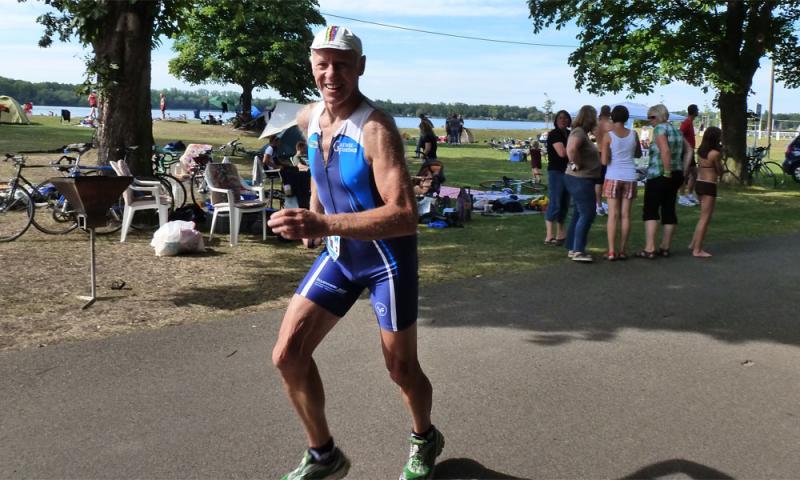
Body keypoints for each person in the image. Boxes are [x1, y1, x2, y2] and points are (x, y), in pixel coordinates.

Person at [267, 26, 443, 480]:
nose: (332, 74)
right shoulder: (308, 117)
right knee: (288, 355)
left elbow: (405, 215)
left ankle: (425, 437)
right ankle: (324, 455)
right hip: (340, 255)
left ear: (360, 67)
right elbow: (319, 171)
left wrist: (323, 223)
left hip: (386, 261)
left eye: (342, 65)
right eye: (323, 64)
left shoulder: (375, 129)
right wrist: (314, 211)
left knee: (401, 368)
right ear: (311, 66)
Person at [637, 104, 686, 259]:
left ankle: (649, 248)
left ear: (659, 116)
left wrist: (666, 172)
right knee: (669, 209)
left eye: (651, 117)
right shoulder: (677, 131)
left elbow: (665, 150)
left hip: (660, 174)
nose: (650, 121)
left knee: (651, 210)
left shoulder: (659, 129)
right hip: (677, 174)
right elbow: (690, 150)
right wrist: (682, 170)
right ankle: (665, 247)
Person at [599, 105, 641, 260]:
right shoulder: (634, 134)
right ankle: (623, 250)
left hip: (613, 175)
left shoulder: (608, 135)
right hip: (630, 176)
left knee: (613, 215)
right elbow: (637, 154)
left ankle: (611, 251)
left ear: (612, 117)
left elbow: (604, 161)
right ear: (627, 117)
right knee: (626, 215)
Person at [564, 105, 602, 262]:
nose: (596, 120)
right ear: (590, 117)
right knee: (588, 213)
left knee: (579, 213)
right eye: (595, 116)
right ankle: (578, 251)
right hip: (580, 179)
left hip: (580, 179)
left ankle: (573, 248)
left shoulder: (582, 133)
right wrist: (577, 164)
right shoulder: (578, 132)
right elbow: (571, 150)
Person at [688, 126, 723, 257]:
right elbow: (720, 171)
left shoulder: (701, 151)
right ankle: (697, 250)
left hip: (699, 182)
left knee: (702, 217)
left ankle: (693, 243)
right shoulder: (715, 154)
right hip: (709, 185)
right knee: (705, 218)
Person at [543, 110, 572, 246]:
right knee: (555, 202)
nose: (563, 120)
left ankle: (561, 234)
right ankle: (549, 235)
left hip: (568, 172)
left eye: (565, 118)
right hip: (556, 172)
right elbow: (562, 153)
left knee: (565, 203)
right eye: (560, 118)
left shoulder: (570, 133)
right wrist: (576, 152)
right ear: (556, 120)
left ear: (569, 120)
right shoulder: (554, 134)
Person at [678, 104, 700, 206]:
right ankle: (682, 196)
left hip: (690, 153)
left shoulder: (690, 122)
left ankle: (690, 194)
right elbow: (680, 134)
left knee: (694, 174)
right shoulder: (686, 122)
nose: (698, 111)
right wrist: (686, 146)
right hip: (686, 153)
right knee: (685, 175)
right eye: (697, 110)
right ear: (694, 111)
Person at [594, 105, 612, 216]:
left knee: (598, 181)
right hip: (607, 154)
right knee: (608, 180)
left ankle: (599, 205)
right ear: (609, 113)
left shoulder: (596, 124)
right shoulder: (610, 125)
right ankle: (608, 205)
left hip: (598, 153)